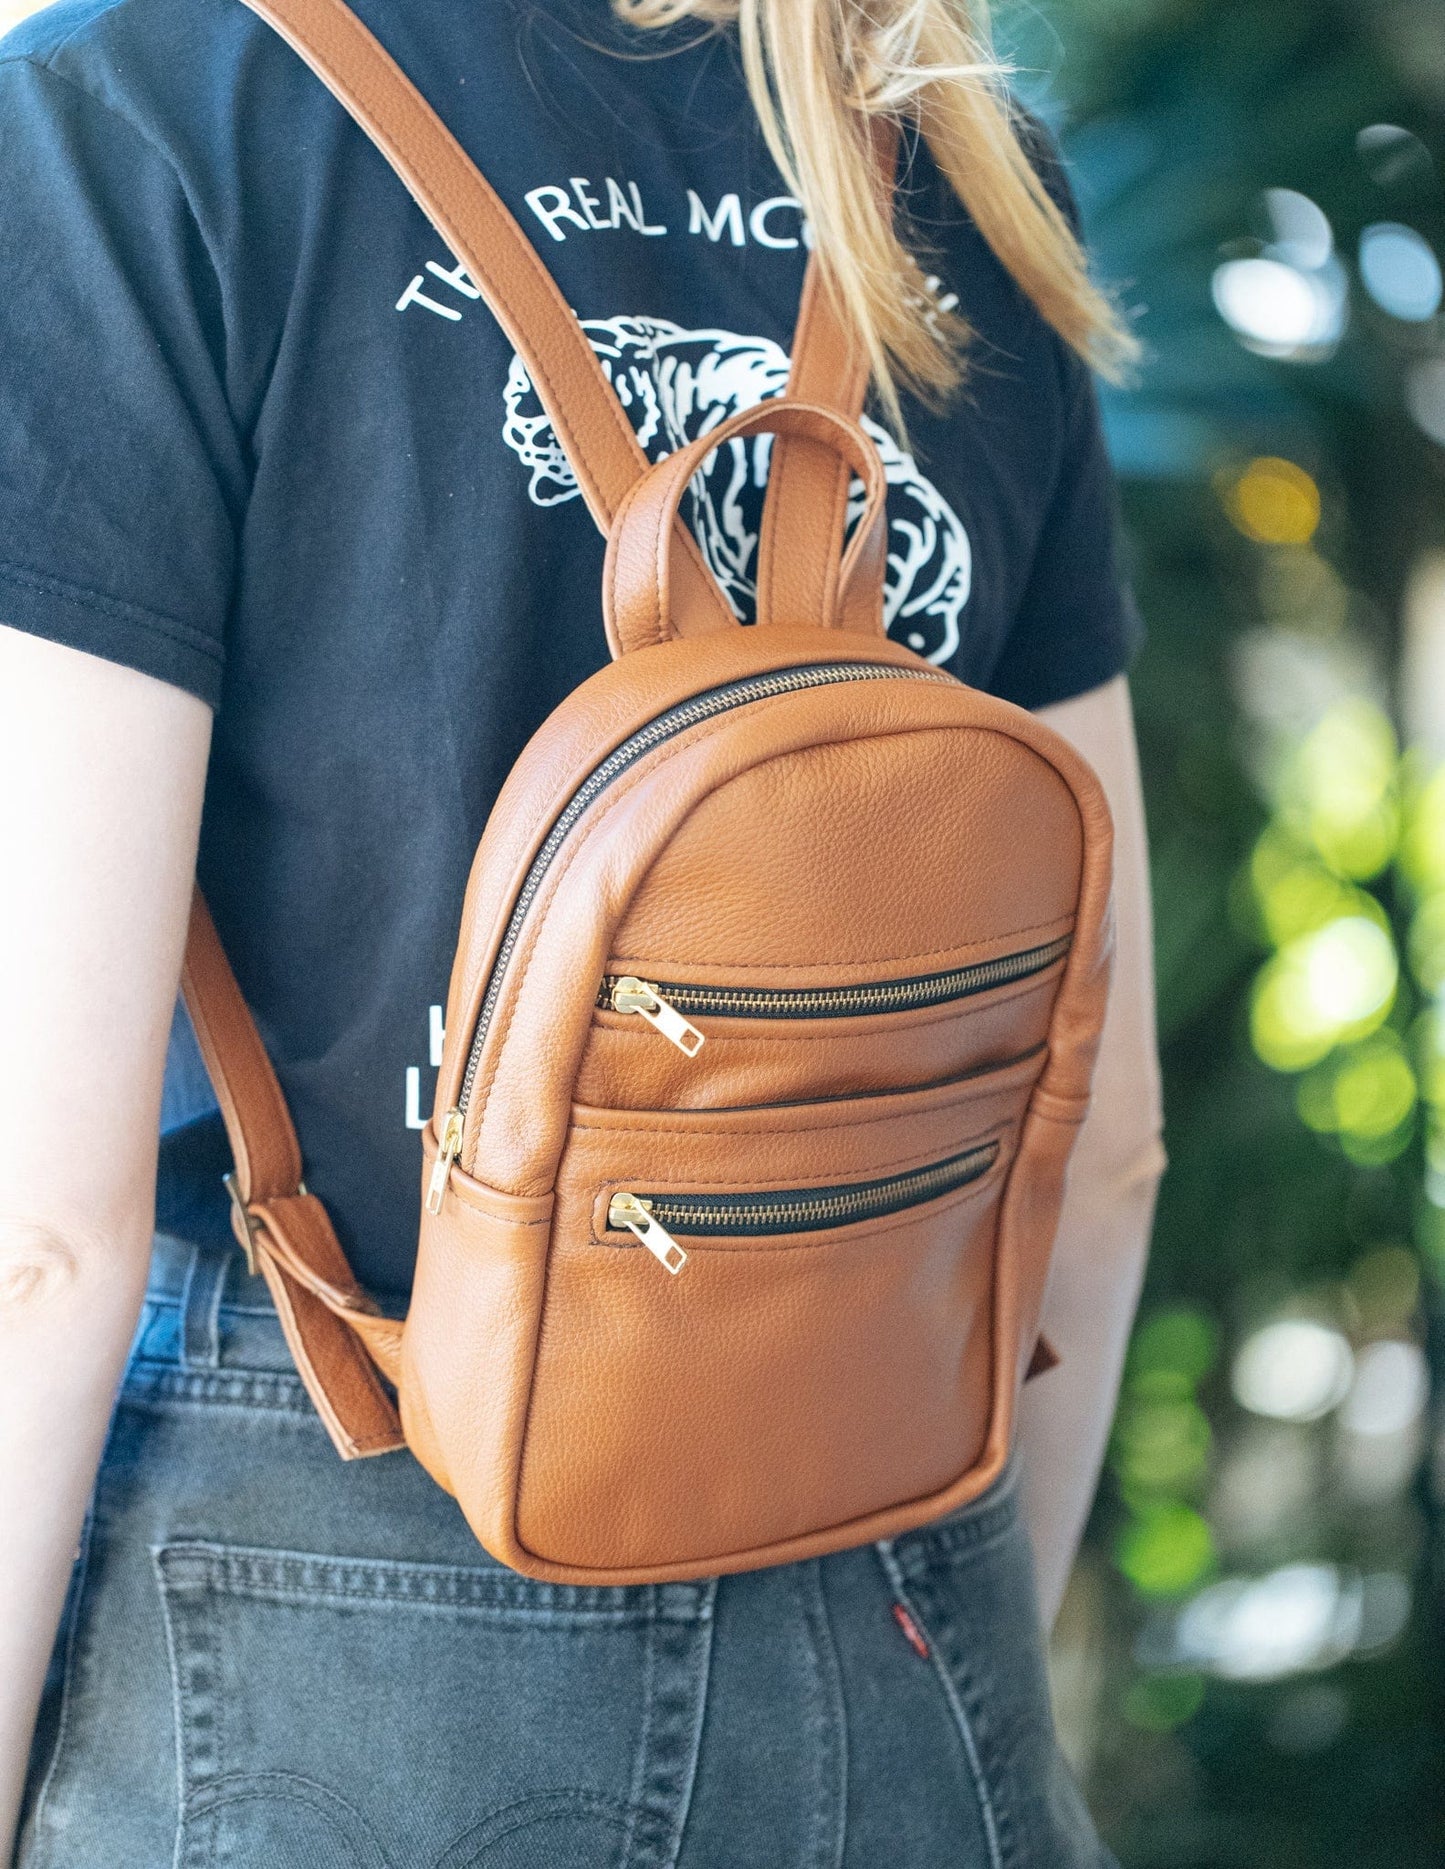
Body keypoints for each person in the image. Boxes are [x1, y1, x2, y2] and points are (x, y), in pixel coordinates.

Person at [0, 0, 1166, 1861]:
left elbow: (35, 1236)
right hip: (900, 1590)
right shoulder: (948, 157)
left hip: (337, 1570)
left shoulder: (131, 115)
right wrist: (970, 1668)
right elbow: (1098, 1155)